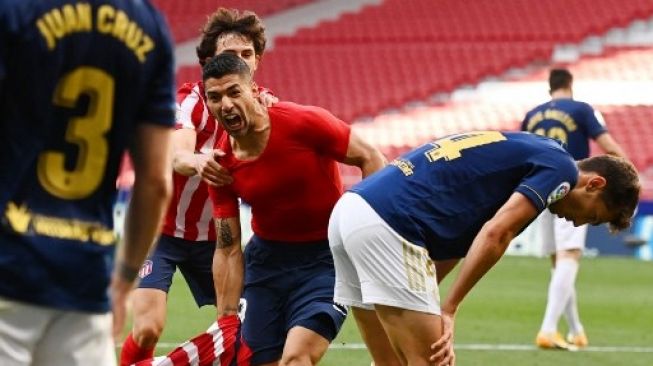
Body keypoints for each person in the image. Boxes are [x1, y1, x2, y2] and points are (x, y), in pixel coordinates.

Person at [327, 130, 640, 366]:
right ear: (594, 184)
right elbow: (496, 235)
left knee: (391, 363)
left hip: (353, 210)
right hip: (390, 222)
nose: (579, 224)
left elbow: (454, 244)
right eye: (593, 216)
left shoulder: (534, 151)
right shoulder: (562, 171)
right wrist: (448, 310)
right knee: (433, 361)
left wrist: (430, 305)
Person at [0, 1, 175, 365]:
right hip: (85, 280)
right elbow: (156, 181)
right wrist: (124, 281)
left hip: (9, 267)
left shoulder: (15, 11)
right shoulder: (149, 27)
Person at [204, 53, 386, 366]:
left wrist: (364, 234)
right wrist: (226, 318)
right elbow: (228, 248)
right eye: (215, 97)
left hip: (327, 260)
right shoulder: (220, 165)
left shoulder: (303, 122)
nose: (226, 104)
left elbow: (370, 157)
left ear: (255, 92)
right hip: (266, 264)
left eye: (235, 92)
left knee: (297, 358)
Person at [120, 8, 277, 365]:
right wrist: (198, 162)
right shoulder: (192, 100)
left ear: (257, 60)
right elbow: (178, 157)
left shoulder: (269, 108)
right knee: (147, 328)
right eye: (229, 54)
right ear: (208, 61)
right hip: (158, 230)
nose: (239, 61)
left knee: (247, 326)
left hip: (216, 240)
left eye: (247, 54)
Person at [521, 68, 629, 350]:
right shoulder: (581, 109)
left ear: (550, 88)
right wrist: (629, 173)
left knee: (559, 264)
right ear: (570, 85)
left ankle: (576, 329)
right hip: (573, 190)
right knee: (569, 257)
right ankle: (547, 329)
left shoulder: (532, 114)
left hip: (537, 188)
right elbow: (606, 144)